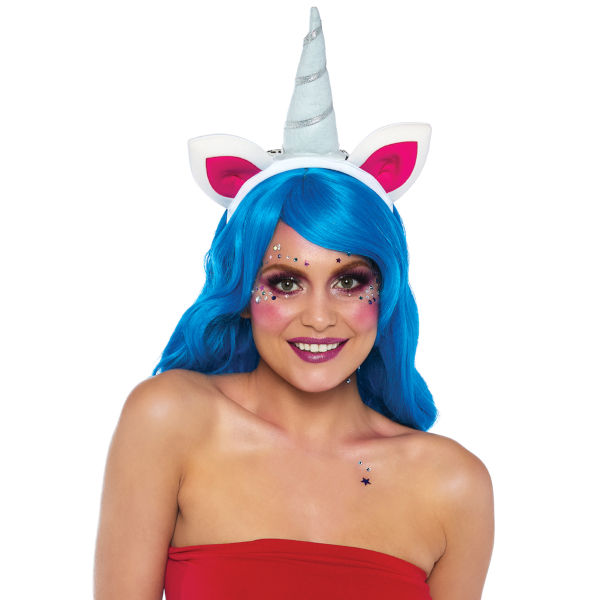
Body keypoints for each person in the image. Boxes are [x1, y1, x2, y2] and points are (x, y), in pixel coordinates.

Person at [94, 7, 494, 600]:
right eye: (285, 282)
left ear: (385, 293)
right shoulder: (171, 420)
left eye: (349, 281)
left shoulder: (453, 484)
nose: (319, 317)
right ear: (242, 291)